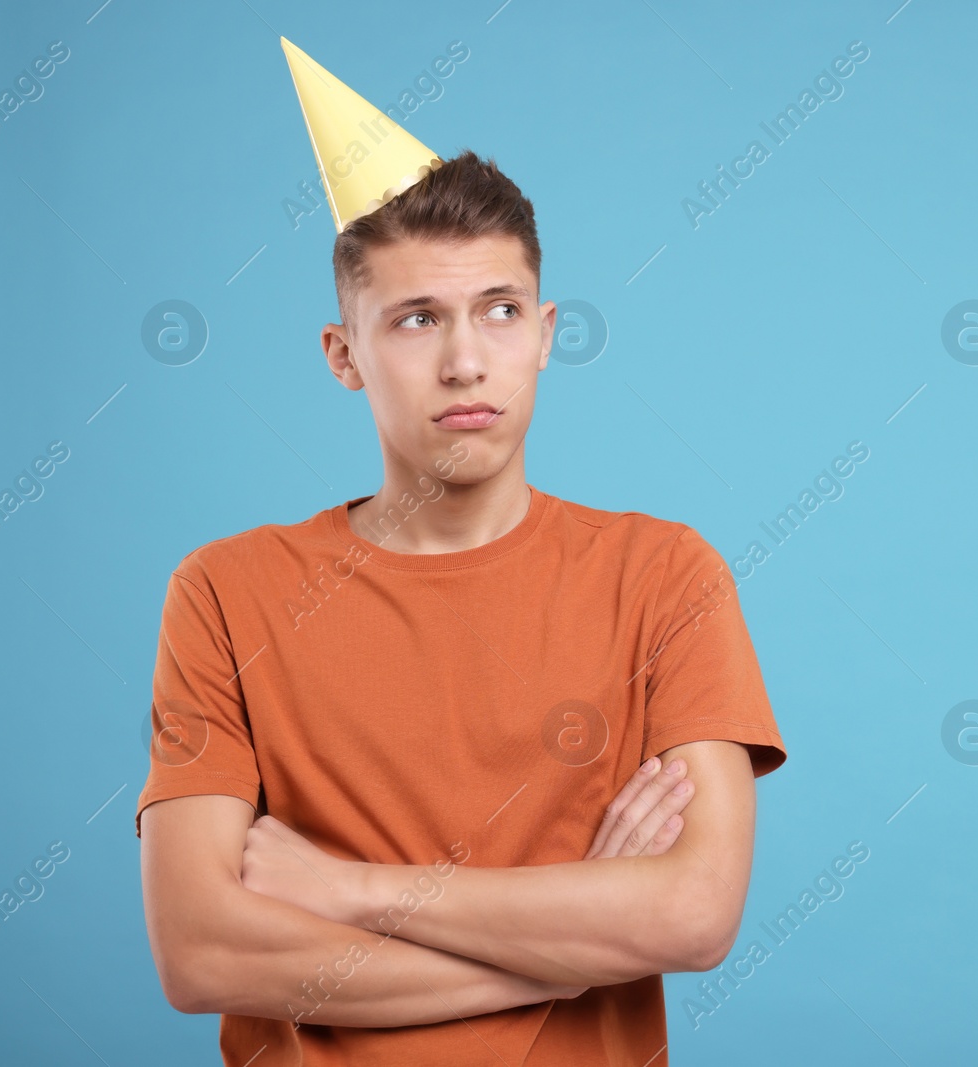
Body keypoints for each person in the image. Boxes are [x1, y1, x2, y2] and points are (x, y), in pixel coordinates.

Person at [135, 38, 786, 1066]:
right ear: (344, 355)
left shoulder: (665, 575)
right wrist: (576, 945)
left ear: (544, 332)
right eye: (415, 319)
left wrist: (353, 887)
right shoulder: (227, 591)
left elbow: (695, 914)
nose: (465, 358)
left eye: (498, 309)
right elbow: (201, 949)